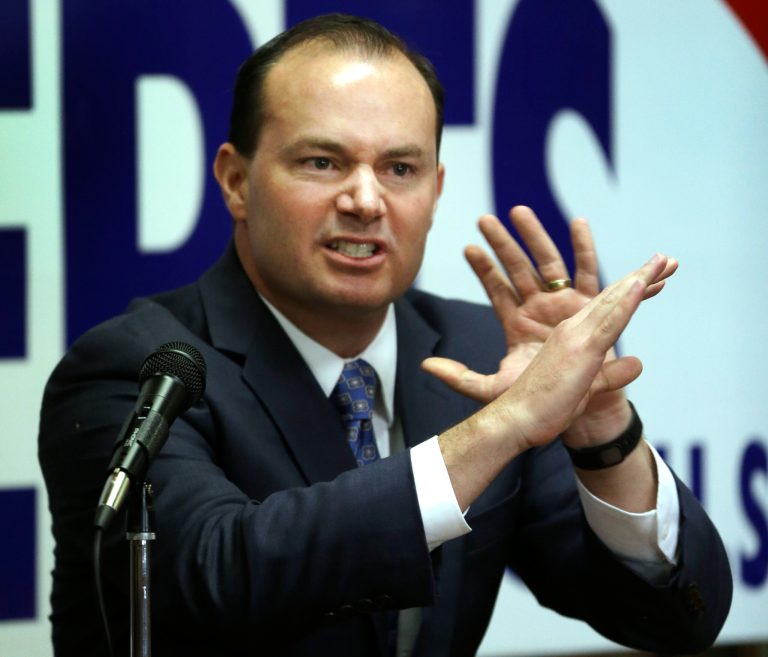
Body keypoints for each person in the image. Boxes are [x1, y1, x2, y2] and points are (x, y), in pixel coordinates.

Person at [39, 13, 731, 657]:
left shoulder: (479, 350)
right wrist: (505, 426)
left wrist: (602, 430)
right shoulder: (142, 365)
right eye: (323, 162)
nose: (366, 201)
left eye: (400, 169)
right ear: (235, 181)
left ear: (435, 190)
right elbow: (211, 577)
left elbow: (673, 617)